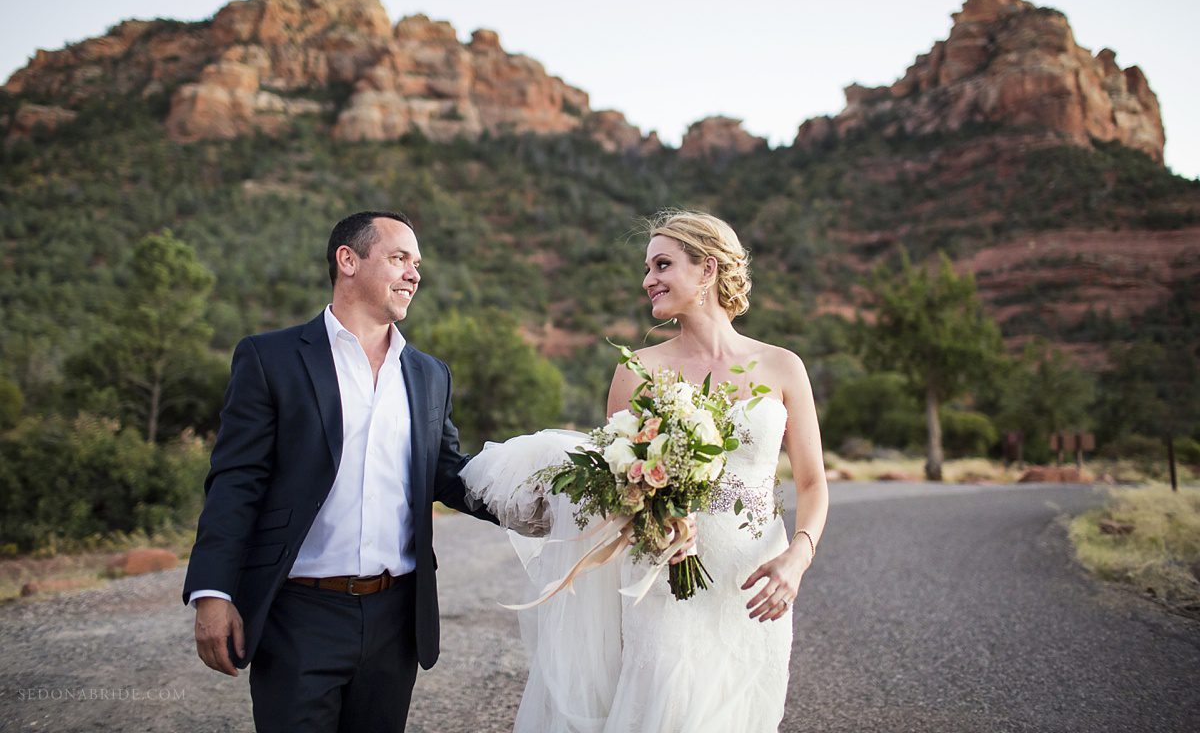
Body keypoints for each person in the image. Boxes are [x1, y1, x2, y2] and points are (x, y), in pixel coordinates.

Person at [462, 209, 830, 732]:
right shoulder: (639, 371)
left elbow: (813, 483)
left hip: (754, 582)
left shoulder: (783, 366)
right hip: (665, 579)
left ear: (707, 270)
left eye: (662, 264)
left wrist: (798, 555)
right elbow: (619, 488)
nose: (647, 280)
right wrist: (657, 527)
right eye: (646, 268)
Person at [182, 210, 496, 732]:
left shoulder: (429, 374)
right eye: (399, 259)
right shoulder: (270, 358)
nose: (414, 274)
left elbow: (448, 474)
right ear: (347, 260)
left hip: (398, 616)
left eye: (417, 264)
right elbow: (236, 481)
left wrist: (535, 496)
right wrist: (212, 593)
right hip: (299, 614)